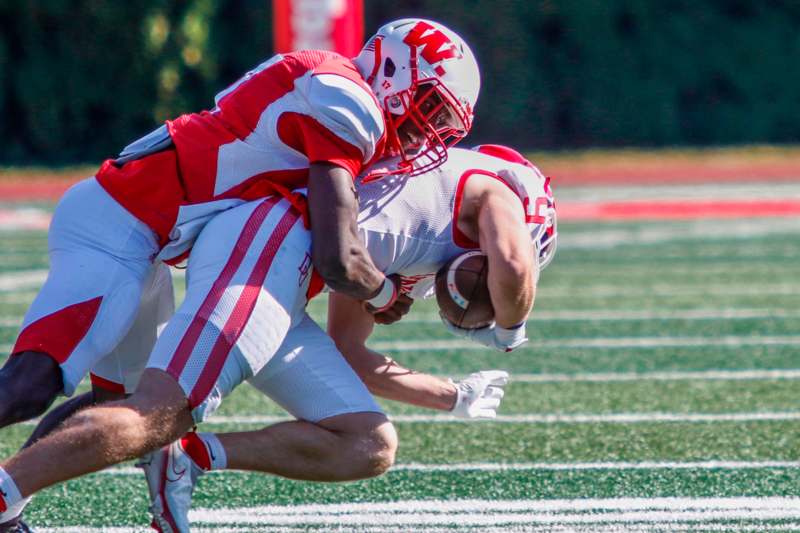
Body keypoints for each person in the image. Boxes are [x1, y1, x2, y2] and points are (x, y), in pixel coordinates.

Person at [0, 145, 557, 532]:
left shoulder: (420, 241)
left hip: (283, 275)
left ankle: (189, 458)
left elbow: (350, 350)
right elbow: (511, 263)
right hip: (267, 242)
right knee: (157, 410)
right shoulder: (490, 193)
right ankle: (7, 491)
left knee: (368, 443)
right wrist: (510, 329)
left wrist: (452, 396)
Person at [0, 18, 478, 434]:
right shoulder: (347, 99)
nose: (426, 131)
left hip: (146, 240)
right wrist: (381, 293)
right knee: (32, 381)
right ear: (396, 72)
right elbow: (339, 258)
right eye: (430, 108)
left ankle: (9, 503)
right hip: (118, 225)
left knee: (123, 408)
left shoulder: (338, 88)